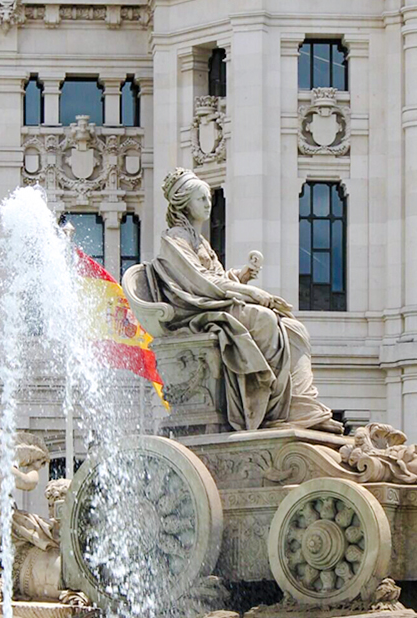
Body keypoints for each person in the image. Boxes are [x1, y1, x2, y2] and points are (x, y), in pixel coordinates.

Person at [132, 167, 342, 433]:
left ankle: (297, 404)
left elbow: (217, 277)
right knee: (266, 319)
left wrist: (240, 276)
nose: (208, 204)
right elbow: (201, 284)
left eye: (208, 198)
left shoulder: (200, 241)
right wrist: (250, 292)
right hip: (198, 313)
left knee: (293, 328)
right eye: (201, 199)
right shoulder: (175, 240)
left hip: (217, 304)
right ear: (184, 204)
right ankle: (265, 408)